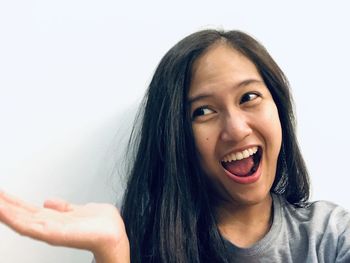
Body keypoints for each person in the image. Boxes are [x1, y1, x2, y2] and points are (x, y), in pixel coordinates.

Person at [0, 29, 349, 263]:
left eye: (249, 97)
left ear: (279, 109)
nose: (236, 128)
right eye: (204, 111)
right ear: (176, 137)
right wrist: (112, 250)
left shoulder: (330, 236)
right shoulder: (142, 245)